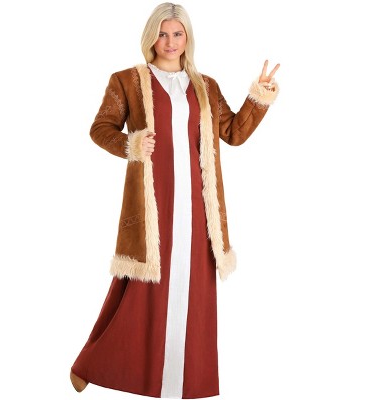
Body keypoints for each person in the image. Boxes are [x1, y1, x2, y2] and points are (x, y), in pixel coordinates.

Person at [70, 2, 280, 398]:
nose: (170, 42)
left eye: (177, 34)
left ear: (187, 38)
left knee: (193, 292)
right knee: (139, 293)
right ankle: (94, 364)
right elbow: (100, 128)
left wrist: (260, 96)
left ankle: (183, 383)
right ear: (152, 37)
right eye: (163, 34)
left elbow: (233, 133)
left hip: (198, 207)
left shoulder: (205, 85)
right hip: (153, 204)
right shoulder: (127, 81)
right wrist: (132, 144)